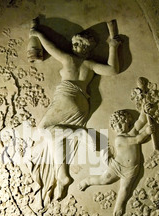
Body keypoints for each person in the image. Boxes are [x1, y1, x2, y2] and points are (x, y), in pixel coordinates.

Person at [28, 20, 121, 203]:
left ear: (85, 47)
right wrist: (113, 47)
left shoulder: (69, 59)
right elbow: (113, 69)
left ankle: (81, 134)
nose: (74, 46)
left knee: (44, 130)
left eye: (78, 44)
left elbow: (52, 47)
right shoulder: (90, 64)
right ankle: (62, 175)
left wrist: (38, 34)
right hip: (81, 106)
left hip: (66, 99)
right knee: (57, 138)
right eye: (74, 43)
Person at [79, 109, 153, 216]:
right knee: (103, 180)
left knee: (125, 188)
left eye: (121, 123)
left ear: (128, 122)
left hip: (131, 169)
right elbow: (137, 140)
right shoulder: (120, 138)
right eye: (115, 125)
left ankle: (119, 204)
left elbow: (141, 121)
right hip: (117, 166)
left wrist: (144, 110)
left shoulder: (131, 132)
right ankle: (87, 181)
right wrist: (147, 132)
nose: (118, 127)